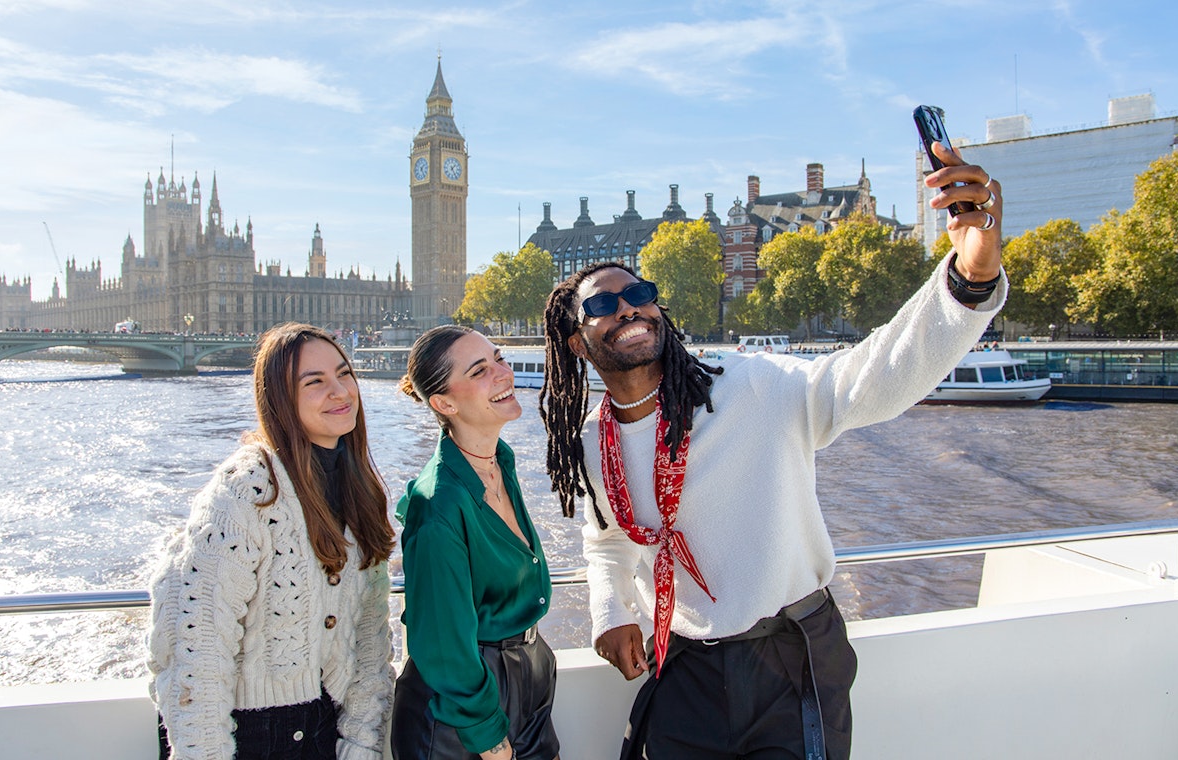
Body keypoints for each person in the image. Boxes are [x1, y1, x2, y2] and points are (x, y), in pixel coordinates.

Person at [538, 143, 1006, 760]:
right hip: (683, 663)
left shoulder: (748, 387)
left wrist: (969, 280)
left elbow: (867, 378)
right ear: (576, 341)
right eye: (602, 305)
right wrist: (609, 611)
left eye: (640, 292)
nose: (629, 307)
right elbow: (609, 539)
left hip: (791, 657)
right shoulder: (594, 444)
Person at [148, 322, 396, 760]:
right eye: (314, 382)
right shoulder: (247, 491)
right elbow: (198, 653)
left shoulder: (362, 494)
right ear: (280, 400)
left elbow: (369, 643)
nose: (340, 391)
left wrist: (361, 745)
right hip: (248, 738)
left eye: (344, 374)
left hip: (328, 731)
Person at [393, 325, 560, 760]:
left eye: (499, 358)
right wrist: (489, 739)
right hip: (461, 712)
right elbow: (441, 643)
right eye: (480, 370)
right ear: (444, 403)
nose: (503, 373)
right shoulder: (438, 504)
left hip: (527, 677)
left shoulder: (499, 462)